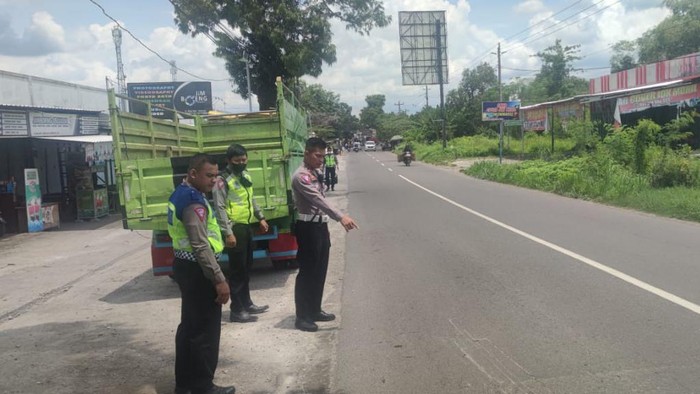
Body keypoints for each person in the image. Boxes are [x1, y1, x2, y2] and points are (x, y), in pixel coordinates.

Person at [167, 154, 235, 394]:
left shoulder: (181, 193)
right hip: (199, 270)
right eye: (209, 175)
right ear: (193, 174)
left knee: (190, 328)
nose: (214, 180)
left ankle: (185, 385)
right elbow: (200, 245)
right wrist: (219, 279)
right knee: (204, 331)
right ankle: (202, 386)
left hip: (186, 266)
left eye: (216, 175)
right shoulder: (193, 201)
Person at [291, 137, 358, 332]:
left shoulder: (315, 172)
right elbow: (318, 200)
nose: (321, 159)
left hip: (320, 227)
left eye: (323, 155)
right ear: (307, 154)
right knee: (307, 273)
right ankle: (302, 317)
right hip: (308, 228)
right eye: (317, 155)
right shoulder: (301, 176)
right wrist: (341, 216)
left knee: (320, 271)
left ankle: (314, 309)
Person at [212, 144, 270, 323]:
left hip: (246, 225)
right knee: (237, 270)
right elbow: (219, 207)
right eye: (237, 161)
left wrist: (260, 217)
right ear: (229, 161)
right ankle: (236, 310)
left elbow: (251, 197)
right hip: (234, 227)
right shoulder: (222, 180)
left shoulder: (245, 175)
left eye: (244, 160)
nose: (241, 163)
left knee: (246, 268)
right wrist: (227, 232)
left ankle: (247, 303)